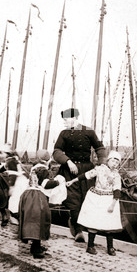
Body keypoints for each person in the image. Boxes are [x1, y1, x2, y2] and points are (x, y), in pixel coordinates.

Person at [52, 108, 106, 243]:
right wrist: (68, 161)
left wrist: (101, 164)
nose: (64, 122)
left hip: (86, 170)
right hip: (69, 171)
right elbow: (57, 151)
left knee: (87, 198)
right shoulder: (63, 133)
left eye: (66, 119)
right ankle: (77, 231)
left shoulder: (89, 131)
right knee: (73, 200)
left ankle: (86, 227)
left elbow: (100, 148)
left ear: (74, 118)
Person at [66, 150, 123, 256]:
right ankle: (90, 246)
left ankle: (110, 247)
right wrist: (72, 181)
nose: (114, 164)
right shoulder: (100, 169)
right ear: (108, 160)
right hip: (96, 198)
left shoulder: (116, 175)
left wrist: (113, 204)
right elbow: (86, 175)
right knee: (93, 222)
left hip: (108, 199)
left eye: (117, 162)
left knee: (109, 224)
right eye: (113, 161)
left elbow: (117, 190)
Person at [18, 162, 62, 259]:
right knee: (39, 220)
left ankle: (34, 246)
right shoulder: (44, 171)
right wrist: (59, 182)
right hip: (37, 196)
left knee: (31, 220)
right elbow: (45, 184)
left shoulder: (33, 171)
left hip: (27, 195)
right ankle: (36, 250)